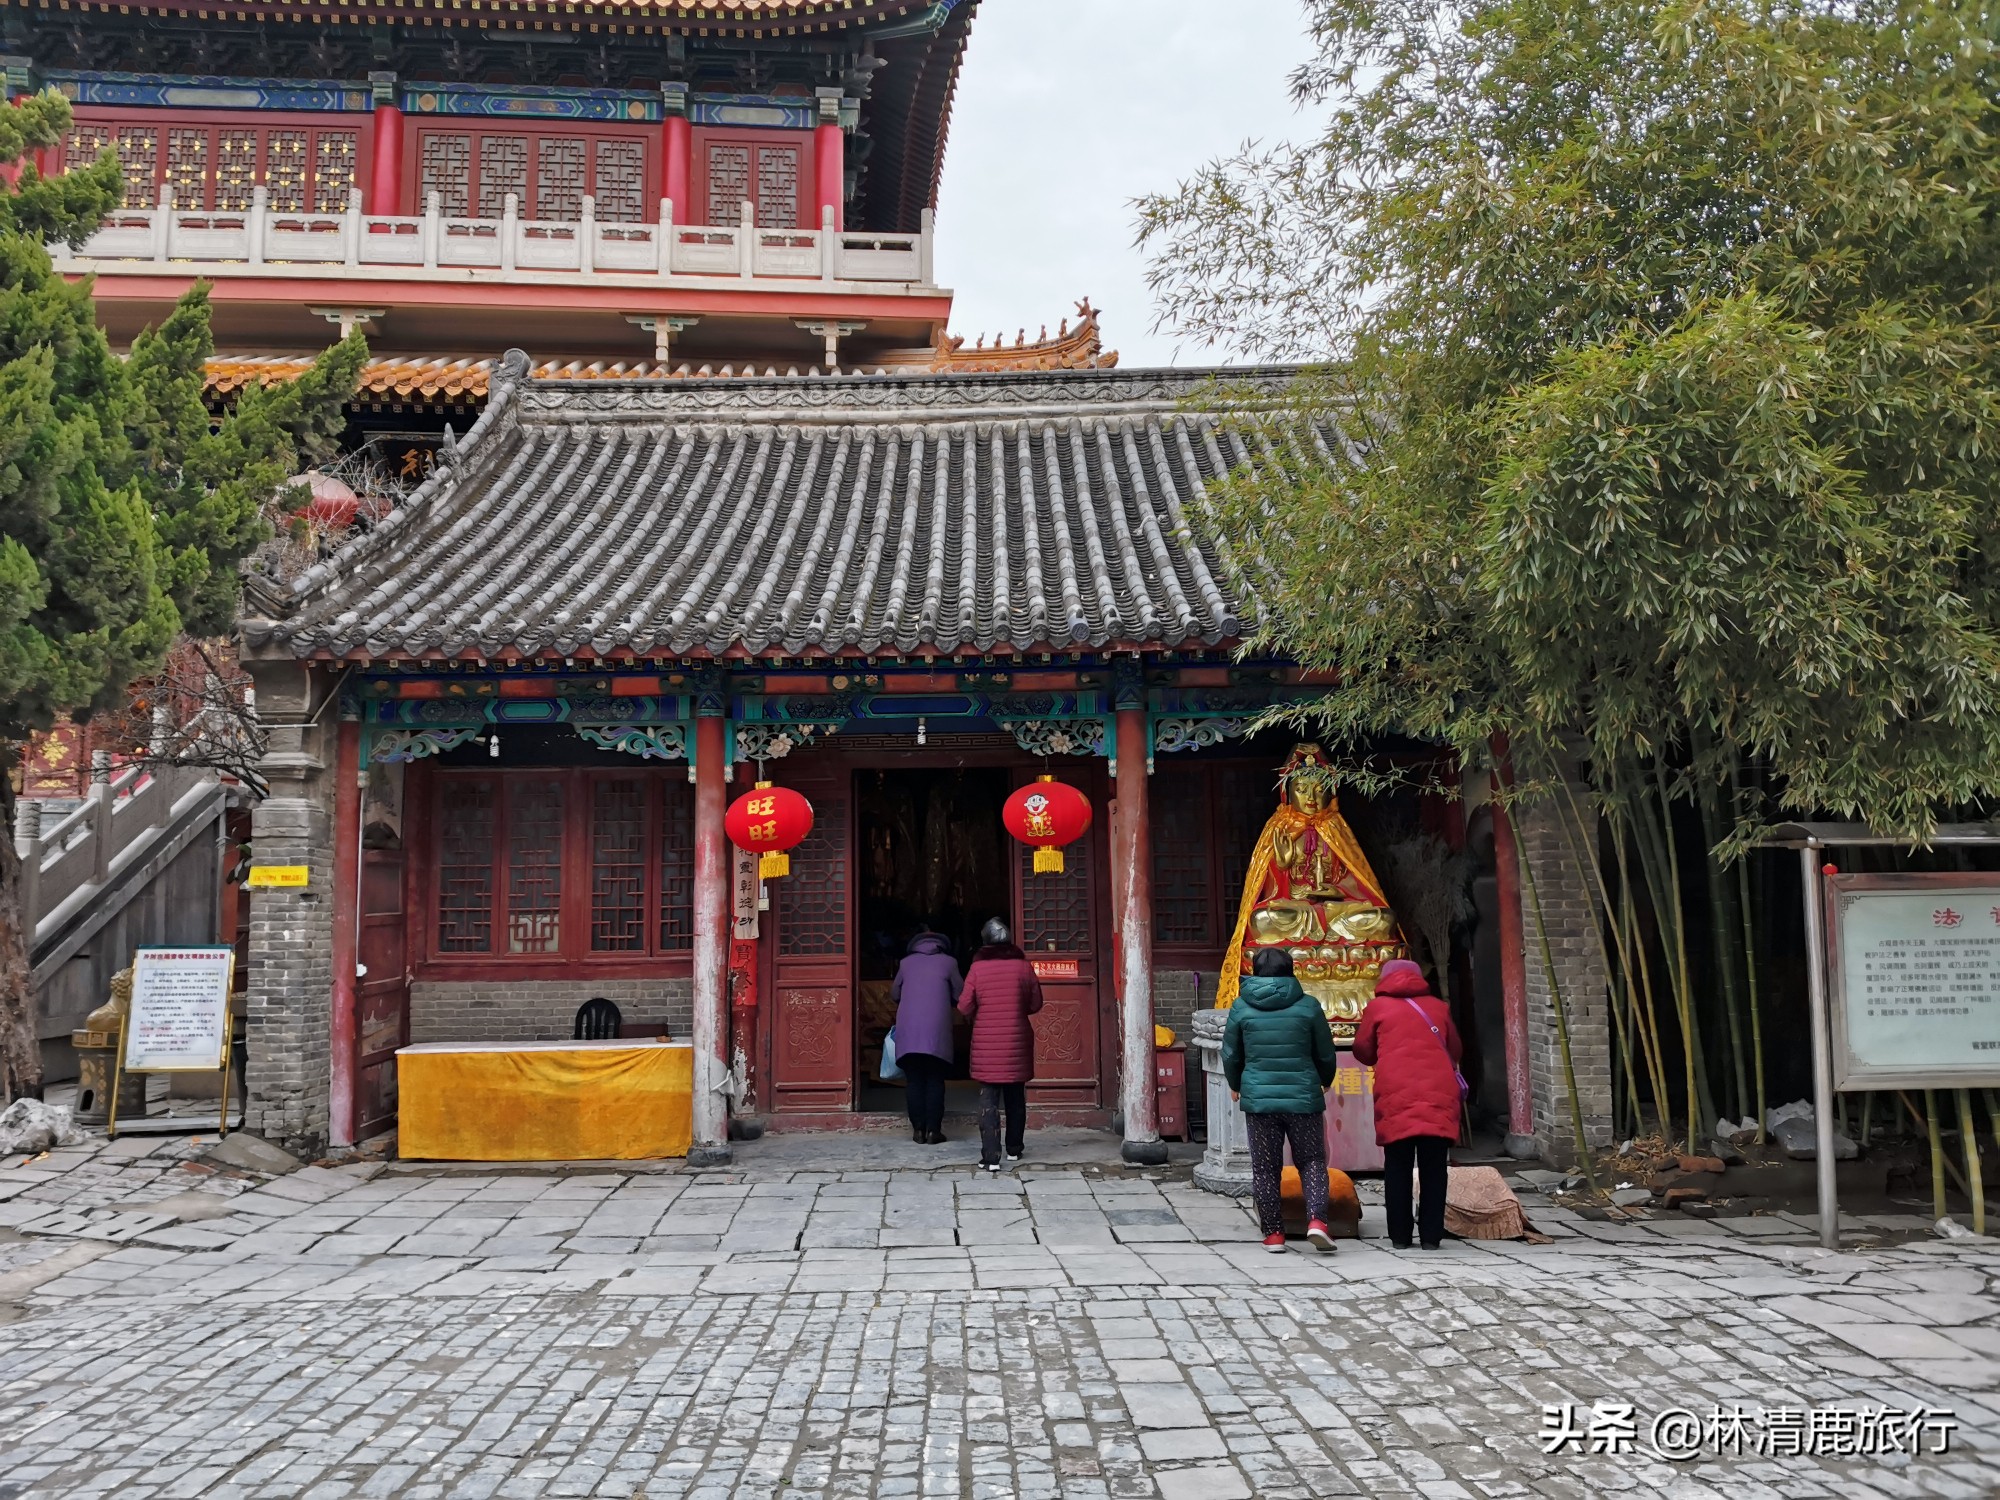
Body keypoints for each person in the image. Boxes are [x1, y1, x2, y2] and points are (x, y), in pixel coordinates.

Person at [1223, 947, 1341, 1252]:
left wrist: (1235, 1084)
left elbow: (1231, 1053)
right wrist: (1325, 1079)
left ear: (1255, 971)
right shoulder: (1309, 1006)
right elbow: (1325, 1052)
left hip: (1259, 1099)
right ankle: (1317, 1221)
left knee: (1265, 1168)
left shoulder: (1241, 1007)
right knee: (1312, 1161)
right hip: (1303, 1096)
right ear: (1291, 970)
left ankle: (1274, 1234)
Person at [1352, 958, 1463, 1250]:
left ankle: (1400, 1237)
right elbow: (1455, 1049)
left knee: (1397, 1166)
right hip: (1438, 1093)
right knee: (1434, 1168)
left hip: (1396, 1093)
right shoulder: (1439, 1007)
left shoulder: (1377, 1008)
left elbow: (1363, 1051)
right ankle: (1431, 1238)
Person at [957, 917, 1042, 1171]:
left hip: (987, 1044)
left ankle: (991, 1157)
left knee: (989, 1099)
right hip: (1017, 1041)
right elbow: (1036, 1003)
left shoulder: (977, 969)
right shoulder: (1023, 967)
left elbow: (964, 1006)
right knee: (1015, 1096)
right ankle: (1014, 1149)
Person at [890, 929, 961, 1144]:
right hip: (936, 1031)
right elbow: (960, 993)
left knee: (914, 1081)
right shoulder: (949, 963)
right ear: (942, 945)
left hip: (909, 1031)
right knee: (935, 1080)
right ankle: (933, 1131)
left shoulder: (905, 964)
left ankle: (918, 1130)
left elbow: (894, 994)